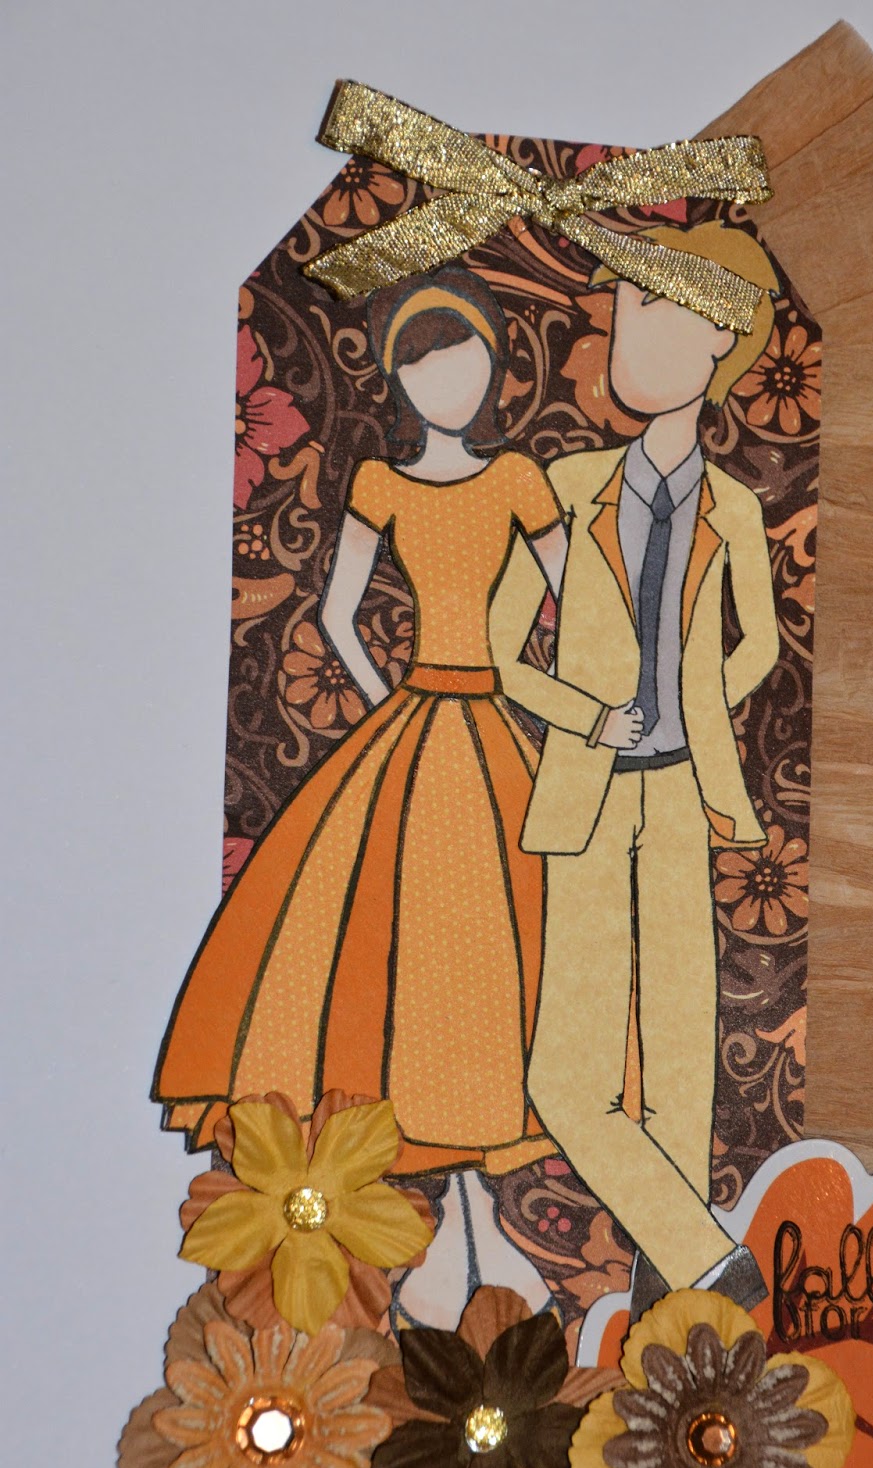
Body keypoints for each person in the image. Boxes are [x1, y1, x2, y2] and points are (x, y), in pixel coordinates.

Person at [153, 265, 593, 1324]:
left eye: (467, 359)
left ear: (495, 366)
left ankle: (485, 1223)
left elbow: (579, 596)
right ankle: (442, 1229)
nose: (450, 381)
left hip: (494, 728)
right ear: (398, 380)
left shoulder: (518, 479)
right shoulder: (381, 487)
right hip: (416, 726)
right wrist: (384, 696)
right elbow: (337, 614)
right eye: (427, 365)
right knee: (398, 961)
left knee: (499, 960)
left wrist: (553, 691)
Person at [489, 221, 782, 1316]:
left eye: (657, 310)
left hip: (684, 795)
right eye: (624, 308)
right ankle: (712, 1260)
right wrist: (587, 716)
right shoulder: (563, 487)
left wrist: (704, 703)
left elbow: (758, 644)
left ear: (719, 338)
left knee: (680, 1068)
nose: (627, 331)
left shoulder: (736, 509)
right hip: (589, 791)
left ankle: (676, 1307)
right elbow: (504, 648)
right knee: (565, 1078)